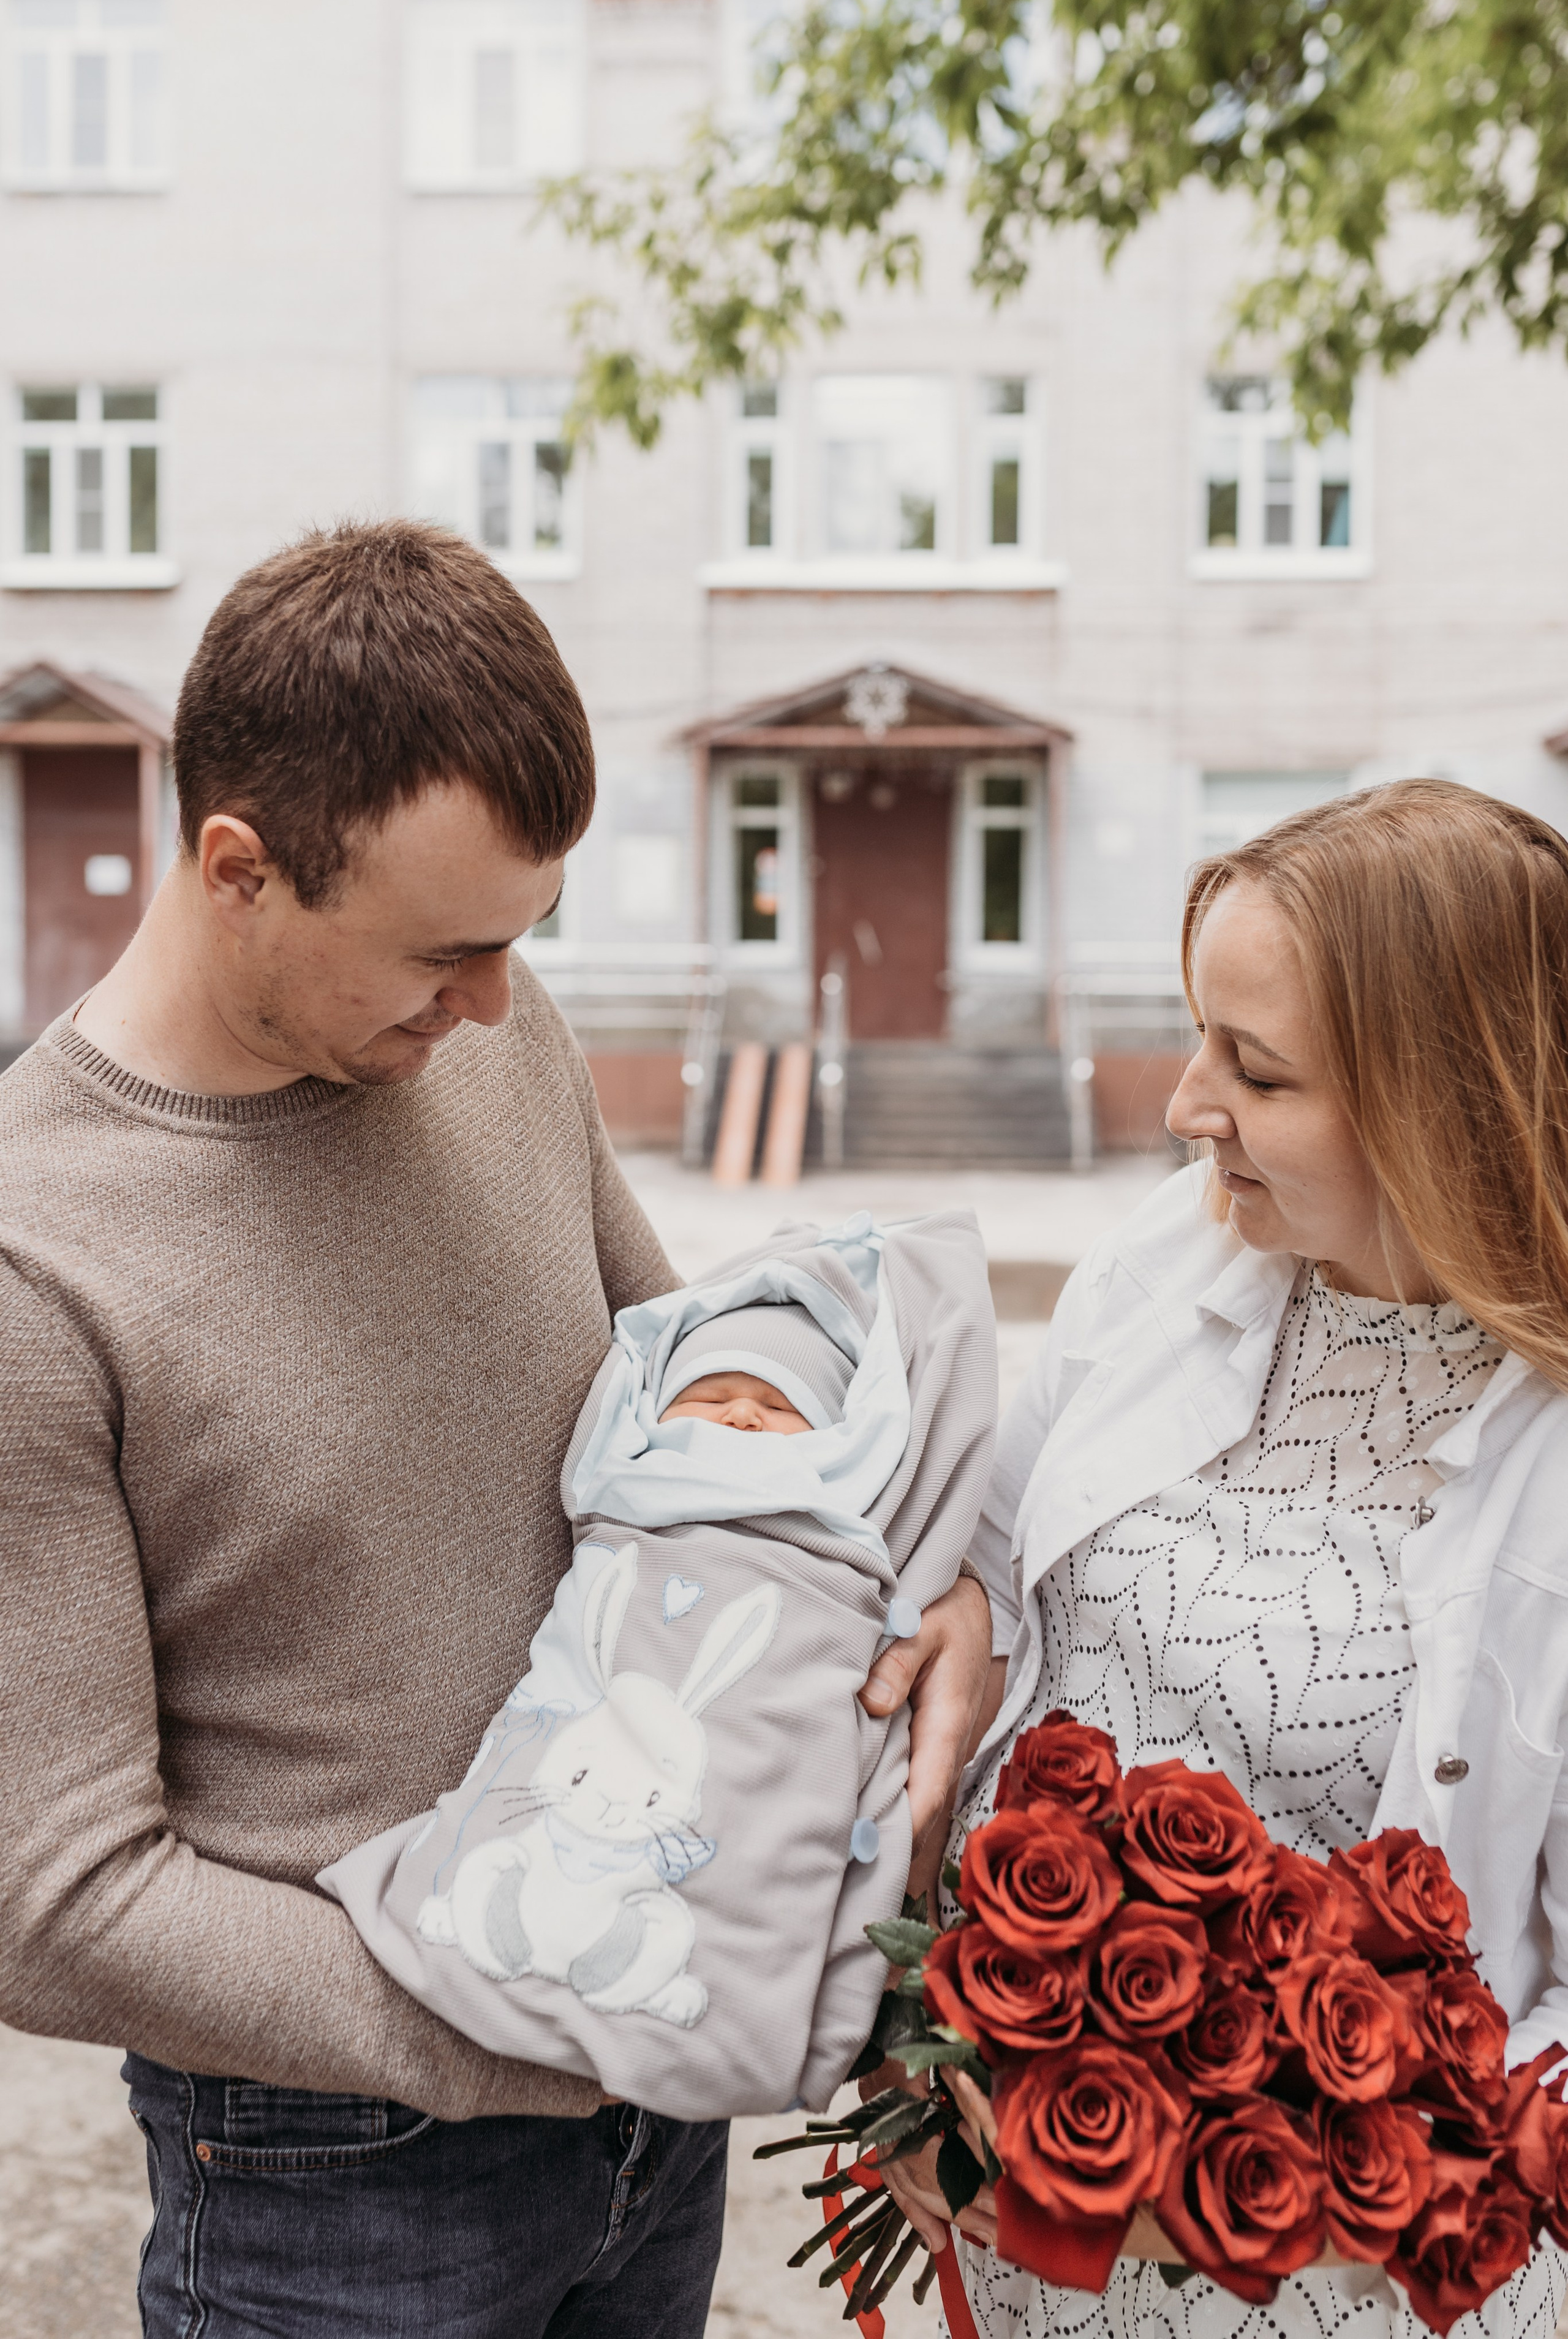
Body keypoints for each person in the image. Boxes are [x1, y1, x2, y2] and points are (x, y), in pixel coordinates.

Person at [0, 518, 996, 2339]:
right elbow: (55, 1899)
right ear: (239, 868)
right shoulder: (34, 1259)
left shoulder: (489, 1023)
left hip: (647, 2103)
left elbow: (709, 1444)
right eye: (443, 955)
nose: (490, 1008)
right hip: (334, 2189)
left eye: (522, 944)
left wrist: (923, 1593)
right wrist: (518, 2020)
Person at [877, 779, 1568, 2339]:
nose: (1187, 1106)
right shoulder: (1161, 1257)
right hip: (1019, 2250)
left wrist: (1311, 2185)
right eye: (1198, 1041)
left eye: (1253, 1070)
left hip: (1347, 2294)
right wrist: (916, 2037)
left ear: (1439, 1102)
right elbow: (977, 1573)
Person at [321, 1214, 998, 2124]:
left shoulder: (839, 1527)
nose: (742, 1416)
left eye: (784, 1406)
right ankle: (482, 1923)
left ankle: (715, 1995)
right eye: (710, 1396)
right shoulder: (628, 1488)